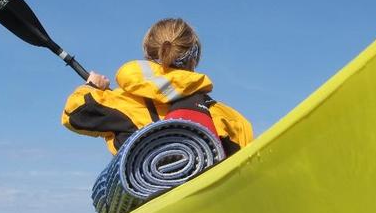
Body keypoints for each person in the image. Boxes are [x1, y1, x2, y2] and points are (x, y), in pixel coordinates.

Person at [62, 18, 252, 157]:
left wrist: (92, 86)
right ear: (194, 57)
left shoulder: (122, 103)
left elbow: (74, 114)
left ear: (149, 54)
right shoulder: (229, 119)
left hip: (147, 190)